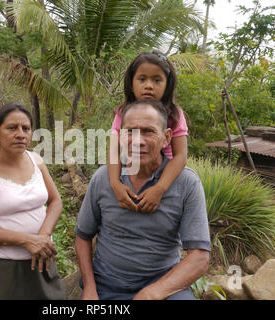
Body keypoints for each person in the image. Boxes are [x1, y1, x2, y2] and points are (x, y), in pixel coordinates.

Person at [75, 99, 210, 300]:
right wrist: (89, 286)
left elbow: (199, 257)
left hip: (162, 284)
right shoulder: (104, 179)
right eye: (130, 131)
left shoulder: (186, 183)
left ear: (166, 138)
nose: (138, 140)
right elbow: (83, 236)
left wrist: (153, 293)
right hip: (106, 283)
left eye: (148, 131)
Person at [0, 102, 66, 300]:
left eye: (25, 128)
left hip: (43, 259)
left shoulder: (35, 160)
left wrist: (43, 236)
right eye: (12, 128)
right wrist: (27, 240)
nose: (20, 134)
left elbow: (55, 201)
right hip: (4, 269)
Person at [109, 50, 188, 213]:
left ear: (167, 85)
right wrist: (115, 184)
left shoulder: (175, 115)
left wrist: (160, 188)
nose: (149, 86)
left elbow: (180, 156)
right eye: (142, 79)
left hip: (166, 177)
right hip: (132, 174)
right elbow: (114, 152)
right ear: (131, 83)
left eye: (157, 80)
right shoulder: (122, 113)